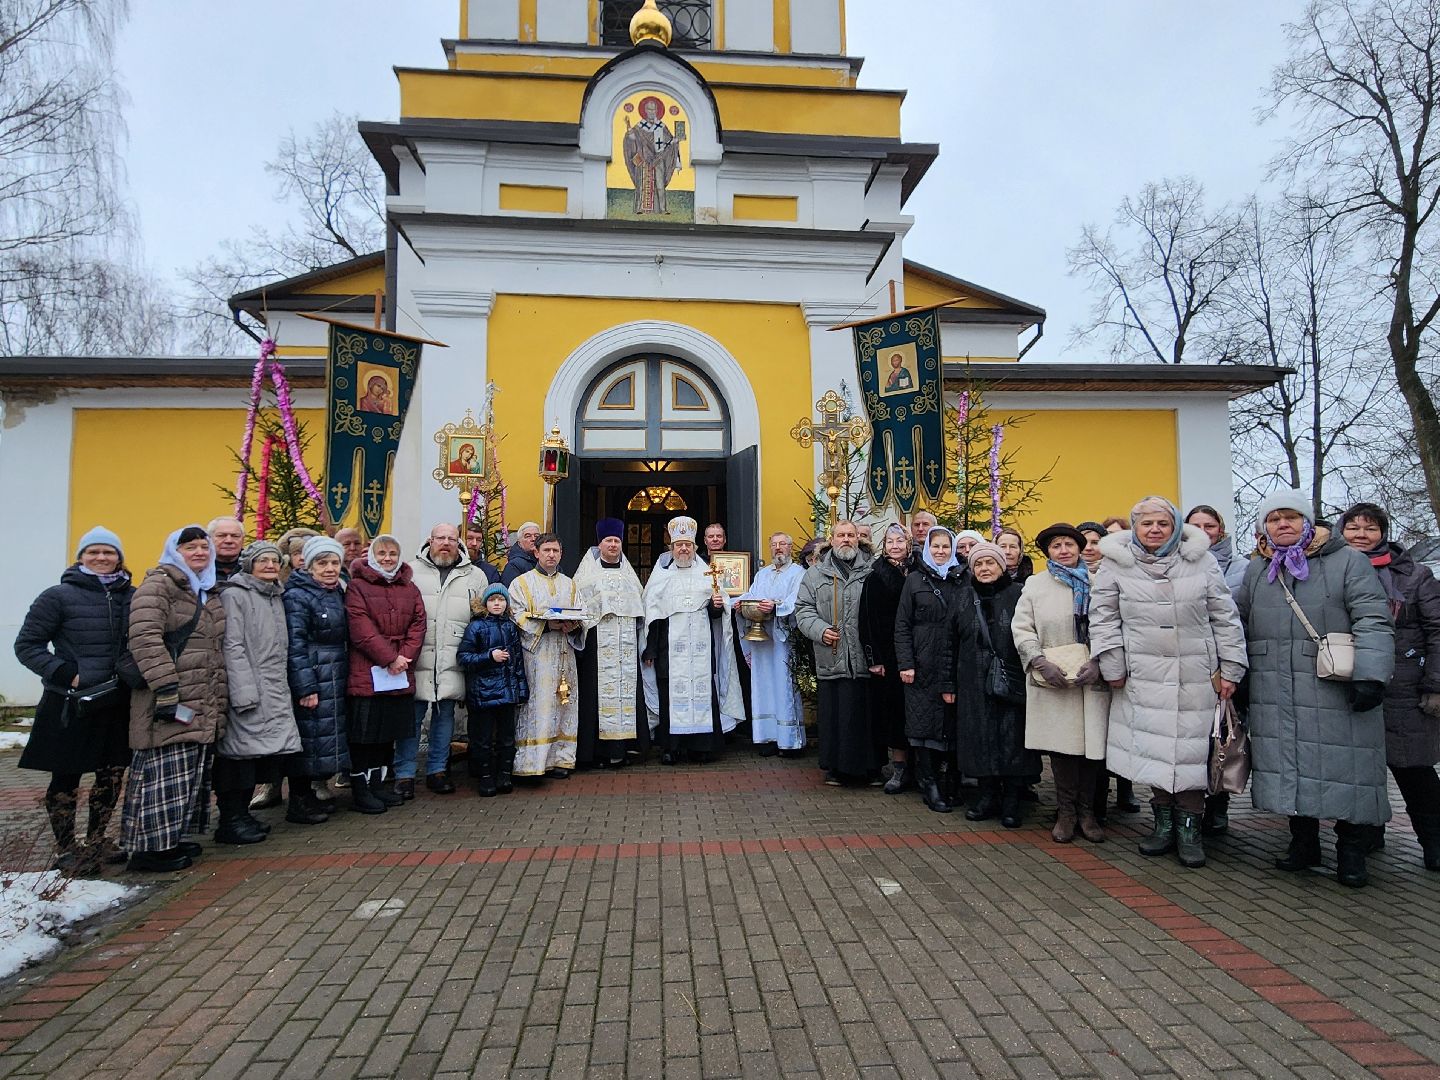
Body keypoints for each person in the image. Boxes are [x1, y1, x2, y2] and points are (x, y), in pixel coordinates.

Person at [1237, 492, 1395, 887]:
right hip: (1275, 687)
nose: (1283, 525)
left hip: (1335, 685)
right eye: (1274, 519)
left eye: (1291, 517)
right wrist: (1236, 673)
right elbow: (1237, 621)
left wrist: (1371, 675)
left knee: (1349, 768)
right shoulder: (1259, 569)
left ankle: (1352, 851)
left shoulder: (1348, 562)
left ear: (1309, 522)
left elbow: (1373, 621)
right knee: (1291, 763)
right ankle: (1303, 843)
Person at [1089, 497, 1247, 869]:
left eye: (1163, 523)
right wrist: (1113, 665)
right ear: (1135, 527)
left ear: (1175, 526)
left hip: (1196, 675)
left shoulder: (1202, 561)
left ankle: (1190, 831)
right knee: (1154, 750)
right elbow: (1103, 618)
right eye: (1147, 524)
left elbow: (1225, 616)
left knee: (1192, 753)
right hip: (1143, 675)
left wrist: (1231, 668)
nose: (1155, 529)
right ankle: (1162, 826)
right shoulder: (1115, 564)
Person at [13, 526, 135, 873]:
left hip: (115, 700)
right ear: (81, 556)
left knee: (111, 774)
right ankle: (67, 846)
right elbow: (27, 646)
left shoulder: (132, 595)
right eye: (93, 552)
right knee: (65, 777)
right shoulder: (57, 596)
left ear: (118, 558)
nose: (101, 558)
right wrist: (68, 674)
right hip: (70, 702)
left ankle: (97, 840)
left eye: (108, 552)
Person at [1339, 501, 1440, 869]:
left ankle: (1433, 841)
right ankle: (1368, 836)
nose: (1361, 535)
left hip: (1406, 686)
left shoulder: (1414, 575)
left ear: (1383, 533)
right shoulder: (1334, 571)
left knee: (1414, 769)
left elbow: (1437, 629)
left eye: (1370, 528)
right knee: (1362, 769)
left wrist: (1435, 684)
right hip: (1353, 682)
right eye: (1353, 527)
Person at [120, 526, 227, 872]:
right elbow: (145, 640)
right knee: (161, 772)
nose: (199, 552)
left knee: (186, 773)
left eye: (203, 547)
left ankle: (172, 837)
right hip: (167, 695)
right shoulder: (158, 585)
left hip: (201, 694)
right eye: (190, 547)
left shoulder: (205, 591)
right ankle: (150, 849)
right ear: (173, 551)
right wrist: (166, 687)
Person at [1012, 524, 1109, 843]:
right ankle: (1065, 813)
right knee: (1062, 750)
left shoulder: (1099, 583)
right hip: (1054, 680)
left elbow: (1112, 626)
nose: (1064, 550)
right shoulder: (1035, 585)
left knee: (1091, 748)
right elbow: (1022, 628)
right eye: (1056, 546)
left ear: (1080, 548)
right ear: (1047, 552)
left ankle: (1088, 813)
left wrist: (1099, 662)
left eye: (1070, 544)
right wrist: (1038, 661)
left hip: (1091, 679)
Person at [214, 540, 306, 843]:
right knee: (236, 756)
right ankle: (230, 819)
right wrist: (243, 691)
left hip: (272, 687)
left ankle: (242, 816)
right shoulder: (235, 595)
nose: (269, 565)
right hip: (249, 687)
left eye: (273, 561)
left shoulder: (274, 595)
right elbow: (233, 645)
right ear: (249, 565)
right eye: (262, 560)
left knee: (253, 757)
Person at [643, 517, 745, 764]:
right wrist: (650, 650)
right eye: (679, 545)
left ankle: (702, 747)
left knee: (702, 694)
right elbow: (653, 616)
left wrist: (716, 605)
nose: (684, 549)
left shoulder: (707, 574)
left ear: (694, 547)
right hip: (670, 652)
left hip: (700, 651)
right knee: (670, 698)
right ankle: (671, 748)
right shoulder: (662, 577)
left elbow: (716, 614)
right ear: (672, 548)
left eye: (688, 545)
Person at [796, 521, 883, 786]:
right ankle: (835, 768)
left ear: (859, 540)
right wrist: (820, 630)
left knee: (867, 716)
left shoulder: (873, 571)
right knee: (836, 716)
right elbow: (803, 610)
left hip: (864, 657)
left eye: (851, 535)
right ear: (831, 540)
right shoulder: (815, 574)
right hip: (831, 656)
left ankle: (871, 768)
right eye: (841, 535)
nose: (846, 539)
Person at [344, 535, 426, 812]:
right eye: (382, 553)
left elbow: (418, 624)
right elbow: (360, 627)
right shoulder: (357, 586)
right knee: (365, 735)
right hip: (368, 671)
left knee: (387, 733)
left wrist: (405, 657)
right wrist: (390, 658)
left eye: (392, 553)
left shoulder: (410, 587)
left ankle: (379, 785)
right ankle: (361, 789)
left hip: (398, 671)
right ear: (371, 556)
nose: (387, 558)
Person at [961, 540, 1040, 826]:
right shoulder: (964, 597)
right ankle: (987, 796)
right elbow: (949, 642)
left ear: (1001, 565)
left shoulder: (1019, 594)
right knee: (981, 739)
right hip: (973, 682)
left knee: (1013, 740)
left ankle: (1012, 800)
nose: (984, 568)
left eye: (990, 562)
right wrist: (949, 684)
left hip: (1013, 680)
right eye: (978, 564)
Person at [894, 526, 970, 811]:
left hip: (953, 663)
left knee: (951, 723)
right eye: (935, 546)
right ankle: (930, 785)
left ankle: (952, 782)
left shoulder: (963, 579)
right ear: (927, 548)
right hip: (922, 663)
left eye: (945, 547)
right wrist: (906, 663)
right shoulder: (914, 580)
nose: (940, 551)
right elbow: (902, 625)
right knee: (923, 725)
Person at [405, 523, 478, 797]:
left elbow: (480, 618)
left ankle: (438, 770)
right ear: (430, 540)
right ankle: (405, 774)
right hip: (418, 657)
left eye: (451, 538)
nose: (445, 543)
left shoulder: (474, 575)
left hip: (453, 657)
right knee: (411, 719)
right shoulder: (410, 572)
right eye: (440, 538)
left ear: (458, 543)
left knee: (444, 717)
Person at [282, 536, 349, 824]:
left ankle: (309, 796)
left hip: (333, 673)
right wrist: (305, 686)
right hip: (314, 672)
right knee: (306, 738)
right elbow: (294, 644)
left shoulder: (336, 592)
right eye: (322, 563)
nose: (330, 568)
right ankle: (298, 801)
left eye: (334, 563)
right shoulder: (297, 596)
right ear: (309, 566)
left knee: (319, 737)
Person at [509, 534, 586, 778]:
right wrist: (545, 626)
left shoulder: (570, 584)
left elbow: (582, 613)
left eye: (555, 550)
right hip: (538, 656)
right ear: (536, 553)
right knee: (539, 706)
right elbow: (516, 615)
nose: (551, 555)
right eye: (547, 550)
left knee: (564, 705)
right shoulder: (521, 583)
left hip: (564, 653)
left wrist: (574, 626)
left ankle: (561, 759)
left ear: (561, 554)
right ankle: (534, 763)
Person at [575, 518, 647, 769]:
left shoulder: (629, 576)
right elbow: (579, 606)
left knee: (626, 695)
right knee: (598, 696)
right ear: (600, 544)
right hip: (599, 644)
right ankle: (598, 752)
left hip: (625, 645)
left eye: (617, 541)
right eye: (609, 541)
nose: (613, 545)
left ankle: (624, 748)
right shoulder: (587, 576)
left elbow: (641, 607)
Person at [738, 532, 807, 758]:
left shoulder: (798, 573)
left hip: (783, 639)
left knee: (784, 686)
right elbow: (752, 594)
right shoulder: (763, 574)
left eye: (783, 545)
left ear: (790, 547)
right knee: (762, 685)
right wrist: (739, 602)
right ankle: (765, 737)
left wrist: (776, 607)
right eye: (774, 545)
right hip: (762, 639)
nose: (778, 549)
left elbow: (796, 601)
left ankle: (789, 741)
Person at [861, 524, 918, 790]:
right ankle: (899, 768)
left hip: (919, 653)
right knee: (894, 712)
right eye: (889, 541)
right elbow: (867, 620)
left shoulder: (920, 572)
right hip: (889, 655)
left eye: (899, 541)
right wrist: (874, 658)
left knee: (919, 711)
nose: (895, 546)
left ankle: (922, 767)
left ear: (908, 543)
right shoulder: (876, 576)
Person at [458, 584, 529, 796]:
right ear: (485, 603)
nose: (497, 604)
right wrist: (490, 656)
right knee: (483, 739)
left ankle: (504, 774)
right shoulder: (476, 627)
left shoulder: (510, 627)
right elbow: (464, 657)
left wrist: (521, 689)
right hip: (483, 693)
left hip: (507, 692)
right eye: (492, 600)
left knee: (507, 737)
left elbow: (517, 662)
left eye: (501, 600)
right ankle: (485, 776)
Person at [624, 95, 682, 215]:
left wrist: (674, 142)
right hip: (643, 160)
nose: (651, 112)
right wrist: (630, 133)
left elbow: (668, 143)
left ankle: (663, 209)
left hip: (658, 160)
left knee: (660, 186)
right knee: (642, 185)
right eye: (649, 109)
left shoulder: (661, 127)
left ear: (657, 111)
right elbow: (632, 140)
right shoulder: (639, 127)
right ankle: (640, 208)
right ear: (644, 111)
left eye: (654, 109)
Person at [1185, 505, 1248, 591]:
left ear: (1221, 530)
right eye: (1195, 527)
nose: (1202, 531)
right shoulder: (1174, 566)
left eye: (1209, 526)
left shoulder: (1244, 567)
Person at [501, 522, 541, 586]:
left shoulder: (546, 561)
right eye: (528, 536)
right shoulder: (514, 565)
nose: (533, 539)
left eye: (536, 536)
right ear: (519, 541)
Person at [207, 517, 246, 583]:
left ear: (242, 540)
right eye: (221, 536)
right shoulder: (199, 566)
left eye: (235, 536)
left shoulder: (254, 567)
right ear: (209, 539)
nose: (229, 541)